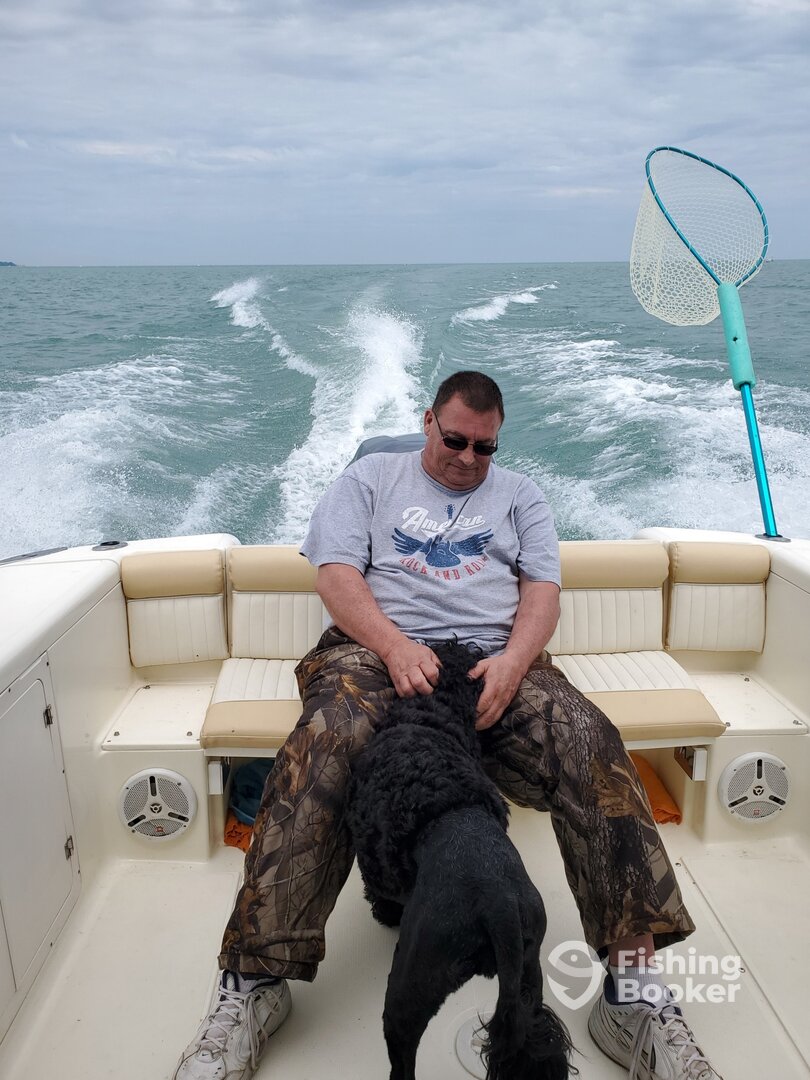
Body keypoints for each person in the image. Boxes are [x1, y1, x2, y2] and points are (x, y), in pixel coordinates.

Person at [173, 371, 723, 1080]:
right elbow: (336, 576)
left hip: (493, 664)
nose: (468, 458)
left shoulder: (521, 496)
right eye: (456, 440)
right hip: (374, 654)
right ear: (428, 421)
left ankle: (632, 995)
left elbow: (542, 593)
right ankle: (253, 982)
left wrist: (515, 663)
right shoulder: (370, 480)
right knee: (324, 745)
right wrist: (395, 647)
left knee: (590, 742)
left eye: (484, 447)